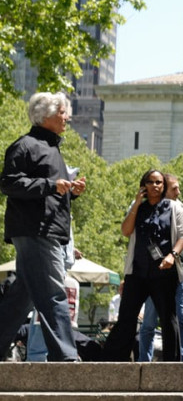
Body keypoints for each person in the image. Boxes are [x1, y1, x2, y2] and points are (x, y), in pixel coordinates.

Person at [0, 92, 86, 362]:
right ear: (45, 116)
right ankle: (66, 357)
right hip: (37, 231)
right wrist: (51, 185)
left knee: (20, 299)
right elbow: (9, 184)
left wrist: (72, 192)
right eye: (62, 112)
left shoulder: (52, 149)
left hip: (48, 230)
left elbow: (49, 193)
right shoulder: (24, 146)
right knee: (53, 293)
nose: (67, 118)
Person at [102, 169, 183, 361]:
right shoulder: (137, 206)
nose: (155, 186)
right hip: (138, 272)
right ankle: (114, 361)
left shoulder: (175, 208)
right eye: (151, 182)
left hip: (164, 273)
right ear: (144, 185)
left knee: (168, 318)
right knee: (126, 317)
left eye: (159, 182)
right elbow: (125, 231)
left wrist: (172, 256)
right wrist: (136, 203)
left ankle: (172, 364)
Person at [137, 173, 183, 362]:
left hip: (180, 273)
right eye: (175, 188)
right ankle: (143, 361)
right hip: (152, 274)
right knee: (149, 320)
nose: (179, 192)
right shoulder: (149, 210)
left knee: (182, 317)